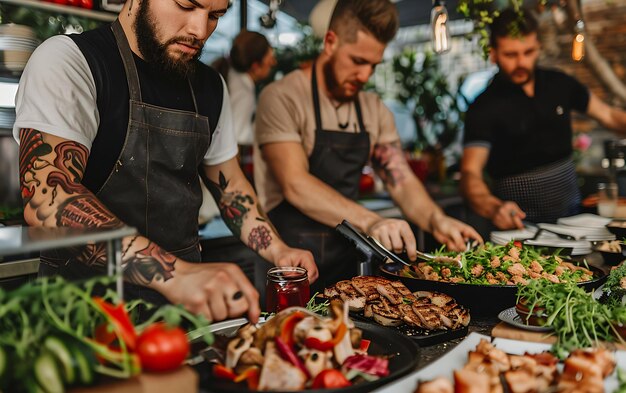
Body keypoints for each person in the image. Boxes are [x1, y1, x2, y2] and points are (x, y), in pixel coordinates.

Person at [13, 0, 317, 323]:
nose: (200, 30)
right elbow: (48, 198)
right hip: (82, 322)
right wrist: (176, 275)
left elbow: (231, 187)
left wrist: (278, 250)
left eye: (215, 16)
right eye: (186, 5)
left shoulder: (212, 88)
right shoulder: (69, 62)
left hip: (182, 324)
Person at [253, 0, 482, 291]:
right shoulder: (282, 97)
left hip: (345, 260)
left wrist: (437, 221)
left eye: (373, 65)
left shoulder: (373, 109)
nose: (365, 76)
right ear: (331, 42)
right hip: (289, 263)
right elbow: (295, 184)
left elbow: (400, 180)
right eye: (358, 61)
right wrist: (372, 222)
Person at [460, 8, 626, 231]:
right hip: (519, 228)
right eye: (511, 54)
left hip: (574, 220)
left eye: (528, 52)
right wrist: (493, 207)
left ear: (538, 46)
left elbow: (609, 115)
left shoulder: (560, 84)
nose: (521, 62)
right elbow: (470, 172)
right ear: (493, 53)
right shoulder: (483, 107)